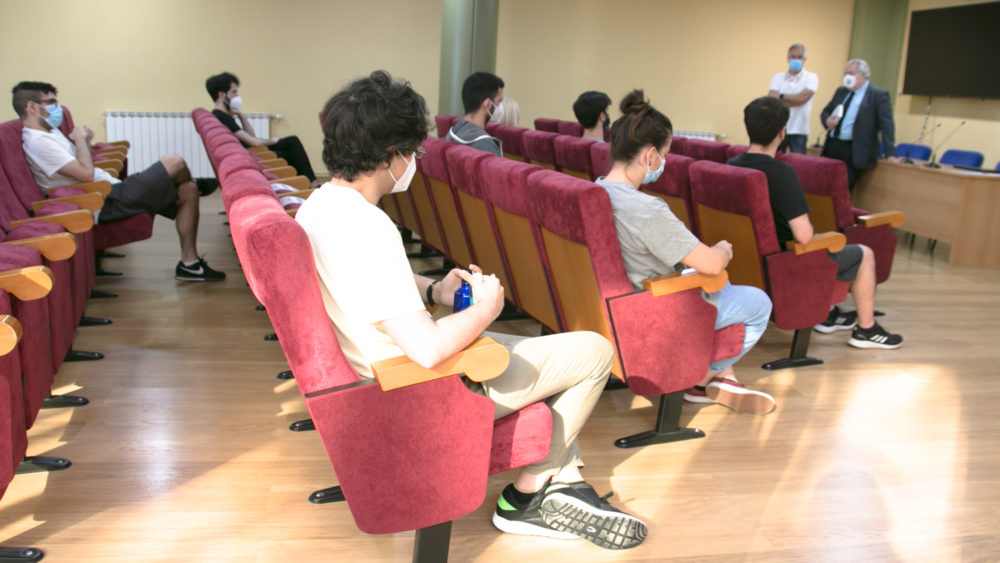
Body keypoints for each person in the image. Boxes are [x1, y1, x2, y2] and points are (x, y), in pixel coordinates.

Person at [297, 70, 647, 550]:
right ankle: (532, 494)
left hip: (378, 372)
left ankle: (563, 479)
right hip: (417, 389)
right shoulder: (369, 226)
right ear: (389, 155)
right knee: (593, 352)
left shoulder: (319, 206)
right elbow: (426, 348)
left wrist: (434, 290)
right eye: (413, 153)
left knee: (538, 354)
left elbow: (361, 280)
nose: (414, 162)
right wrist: (487, 308)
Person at [595, 90, 776, 415]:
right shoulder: (646, 209)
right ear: (650, 155)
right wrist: (722, 250)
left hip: (615, 306)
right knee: (758, 303)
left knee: (722, 287)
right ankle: (699, 379)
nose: (664, 163)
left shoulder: (595, 191)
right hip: (656, 310)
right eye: (665, 154)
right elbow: (710, 263)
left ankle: (725, 376)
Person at [729, 96, 903, 349]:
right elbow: (804, 236)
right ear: (782, 132)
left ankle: (829, 314)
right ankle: (866, 329)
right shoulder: (782, 173)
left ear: (748, 128)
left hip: (748, 262)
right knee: (863, 254)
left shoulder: (731, 166)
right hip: (786, 264)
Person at [12, 81, 225, 282]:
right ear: (32, 107)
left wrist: (84, 142)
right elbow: (86, 175)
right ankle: (193, 179)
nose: (57, 107)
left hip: (110, 189)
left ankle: (190, 264)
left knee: (188, 190)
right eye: (51, 102)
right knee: (174, 162)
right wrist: (80, 141)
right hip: (101, 201)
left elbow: (84, 166)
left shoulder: (50, 133)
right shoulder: (38, 142)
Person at [205, 72, 319, 185]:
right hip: (253, 156)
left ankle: (310, 184)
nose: (237, 96)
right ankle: (311, 184)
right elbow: (254, 142)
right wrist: (272, 141)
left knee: (292, 142)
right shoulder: (222, 118)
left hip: (251, 152)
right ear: (222, 95)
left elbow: (251, 136)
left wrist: (240, 114)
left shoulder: (222, 115)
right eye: (234, 92)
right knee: (291, 150)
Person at [818, 59, 897, 189]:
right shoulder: (841, 91)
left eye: (850, 73)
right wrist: (827, 121)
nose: (846, 77)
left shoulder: (878, 95)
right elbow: (825, 112)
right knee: (823, 186)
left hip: (854, 150)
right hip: (833, 145)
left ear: (862, 75)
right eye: (845, 74)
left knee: (842, 188)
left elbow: (886, 124)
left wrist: (891, 152)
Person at [767, 43, 817, 154]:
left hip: (799, 129)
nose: (796, 59)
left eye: (800, 57)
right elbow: (772, 100)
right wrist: (795, 99)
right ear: (788, 58)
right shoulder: (777, 77)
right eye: (793, 56)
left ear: (805, 59)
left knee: (799, 162)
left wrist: (781, 96)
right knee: (775, 159)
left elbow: (803, 98)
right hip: (778, 128)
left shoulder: (811, 77)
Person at [445, 72, 504, 157]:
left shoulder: (452, 132)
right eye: (499, 101)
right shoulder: (486, 146)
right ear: (487, 104)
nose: (500, 107)